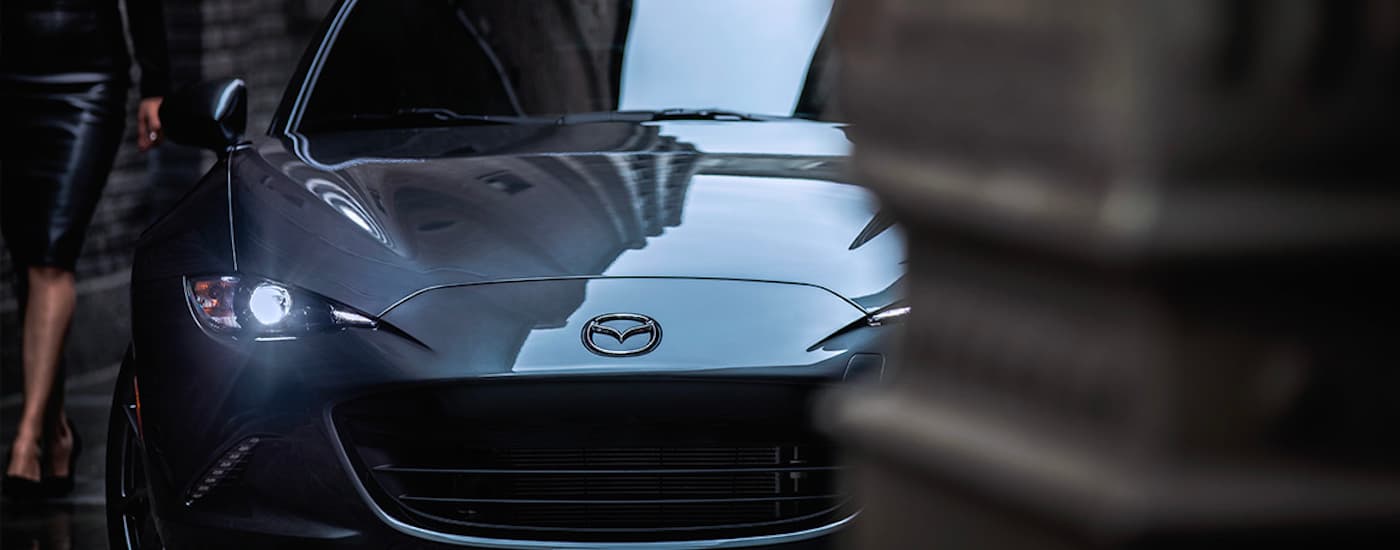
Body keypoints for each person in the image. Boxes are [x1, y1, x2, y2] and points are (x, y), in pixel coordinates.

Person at [1, 0, 170, 499]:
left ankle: (27, 440)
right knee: (27, 259)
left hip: (88, 78)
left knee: (52, 253)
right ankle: (57, 437)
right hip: (9, 75)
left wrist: (156, 83)